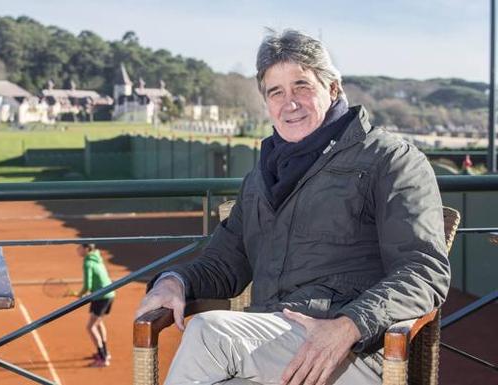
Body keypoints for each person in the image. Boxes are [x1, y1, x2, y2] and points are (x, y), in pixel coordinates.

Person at [135, 29, 450, 385]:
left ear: (332, 89)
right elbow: (224, 263)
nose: (290, 102)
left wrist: (349, 325)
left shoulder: (390, 158)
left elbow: (424, 272)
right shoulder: (262, 176)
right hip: (272, 344)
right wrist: (176, 281)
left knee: (210, 334)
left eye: (302, 86)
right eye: (276, 92)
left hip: (354, 351)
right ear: (267, 102)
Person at [74, 243, 115, 367]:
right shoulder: (97, 257)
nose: (77, 250)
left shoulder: (88, 263)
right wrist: (86, 294)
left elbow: (88, 285)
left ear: (86, 249)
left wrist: (81, 293)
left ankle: (103, 358)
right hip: (108, 294)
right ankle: (105, 353)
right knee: (98, 323)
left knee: (91, 327)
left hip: (101, 297)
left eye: (80, 247)